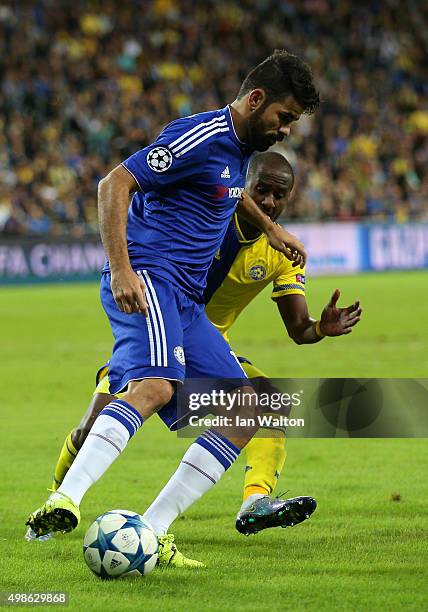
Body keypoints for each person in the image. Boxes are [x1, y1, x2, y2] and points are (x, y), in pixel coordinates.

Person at [26, 50, 320, 565]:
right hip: (151, 276)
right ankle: (63, 500)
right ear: (256, 100)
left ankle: (154, 532)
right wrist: (121, 268)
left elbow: (227, 189)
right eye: (284, 117)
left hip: (185, 301)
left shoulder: (239, 151)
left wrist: (271, 227)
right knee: (157, 385)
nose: (287, 130)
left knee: (247, 408)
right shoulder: (201, 136)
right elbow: (114, 183)